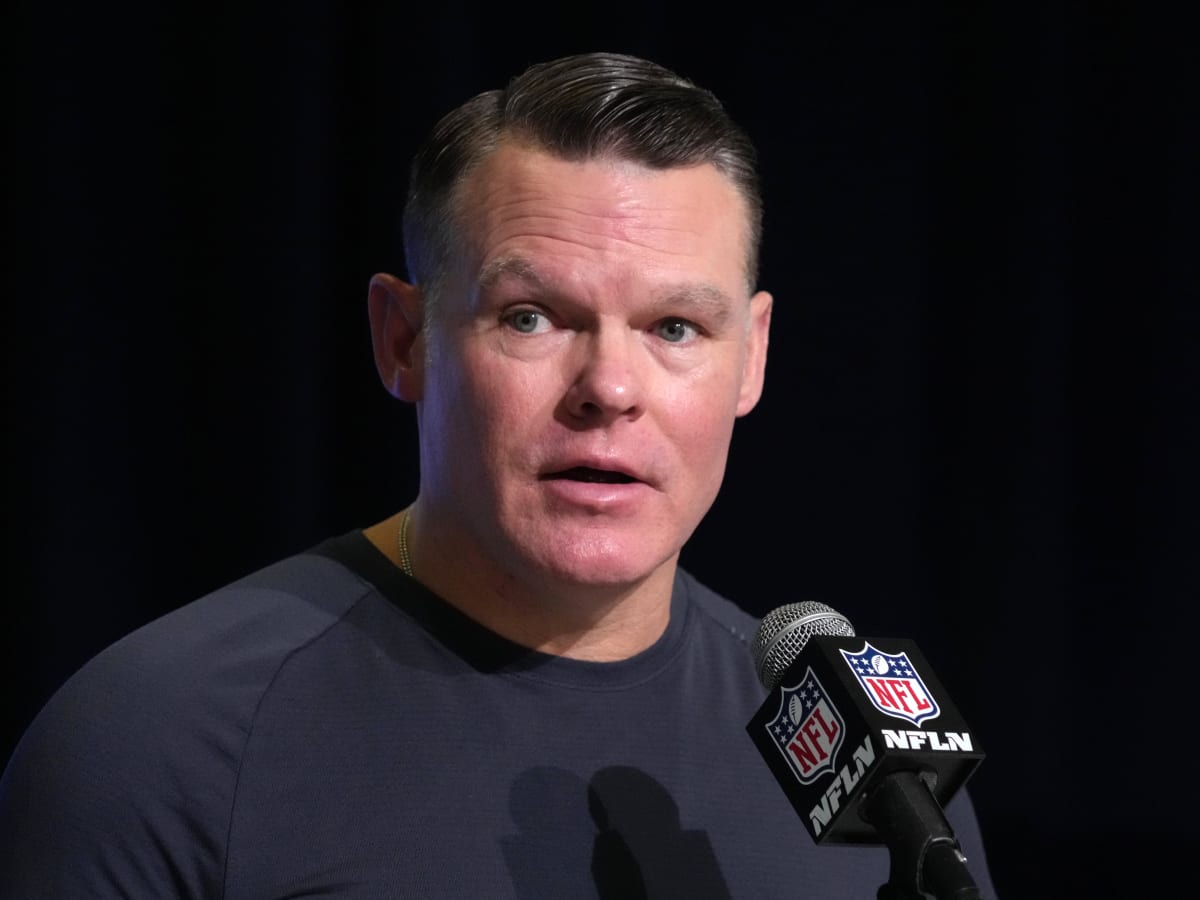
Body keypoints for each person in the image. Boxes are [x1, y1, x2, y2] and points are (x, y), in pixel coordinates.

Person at [0, 51, 999, 898]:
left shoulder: (880, 775)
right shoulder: (159, 743)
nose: (610, 386)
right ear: (403, 340)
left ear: (754, 357)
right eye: (531, 317)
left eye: (675, 328)